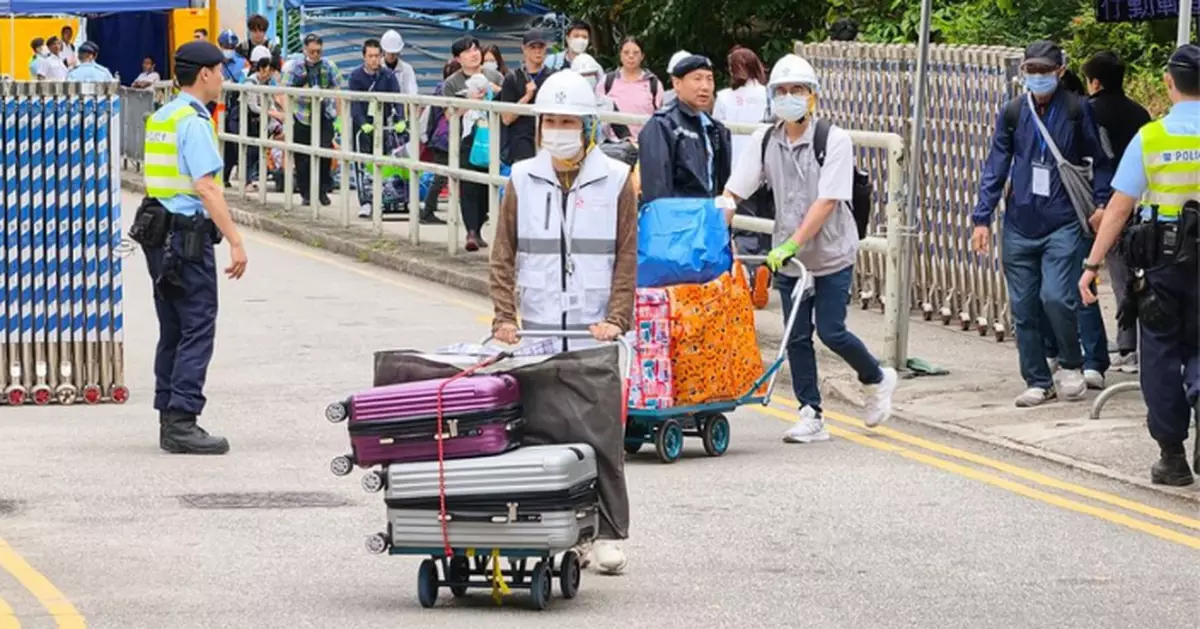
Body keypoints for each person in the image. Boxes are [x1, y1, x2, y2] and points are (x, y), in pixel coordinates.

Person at [489, 69, 636, 574]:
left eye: (567, 120)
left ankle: (610, 532)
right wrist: (504, 316)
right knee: (542, 432)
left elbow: (625, 257)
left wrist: (617, 317)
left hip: (594, 326)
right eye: (550, 119)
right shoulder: (522, 177)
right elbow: (503, 252)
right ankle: (557, 531)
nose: (557, 128)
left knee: (599, 434)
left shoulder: (616, 180)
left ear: (588, 127)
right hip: (540, 325)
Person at [722, 54, 897, 441]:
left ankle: (877, 376)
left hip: (830, 251)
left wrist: (790, 244)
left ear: (812, 96)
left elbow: (827, 201)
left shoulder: (833, 140)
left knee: (832, 331)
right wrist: (718, 221)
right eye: (782, 91)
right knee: (796, 335)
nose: (789, 97)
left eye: (797, 90)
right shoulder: (765, 140)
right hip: (788, 259)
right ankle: (810, 412)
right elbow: (736, 189)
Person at [1079, 45, 1200, 487]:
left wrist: (1092, 264)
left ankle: (1172, 457)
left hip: (1164, 264)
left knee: (1163, 355)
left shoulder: (1152, 137)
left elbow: (1118, 207)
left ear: (1169, 83)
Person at [970, 40, 1113, 408]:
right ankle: (1036, 379)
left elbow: (1102, 160)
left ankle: (1070, 364)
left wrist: (1101, 204)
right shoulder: (1014, 112)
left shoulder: (1078, 111)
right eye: (1031, 71)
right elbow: (996, 164)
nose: (1037, 78)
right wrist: (981, 218)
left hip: (1063, 221)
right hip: (1020, 221)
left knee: (1057, 297)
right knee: (1024, 306)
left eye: (1044, 71)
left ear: (1060, 71)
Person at [140, 40, 249, 455]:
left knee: (172, 327)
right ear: (204, 74)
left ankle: (169, 415)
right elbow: (206, 187)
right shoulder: (194, 122)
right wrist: (236, 241)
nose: (223, 78)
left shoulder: (162, 115)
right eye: (220, 71)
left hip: (158, 234)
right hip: (186, 238)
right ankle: (183, 420)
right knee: (198, 326)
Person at [1080, 50, 1153, 373]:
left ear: (1094, 82)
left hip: (1106, 202)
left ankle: (1125, 346)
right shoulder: (1141, 113)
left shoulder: (1088, 111)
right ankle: (1137, 343)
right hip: (1143, 201)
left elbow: (1096, 159)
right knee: (1139, 274)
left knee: (1114, 272)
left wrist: (1100, 203)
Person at [637, 54, 732, 204]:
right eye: (697, 79)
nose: (705, 87)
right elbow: (657, 189)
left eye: (709, 79)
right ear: (677, 84)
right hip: (678, 218)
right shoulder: (663, 125)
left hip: (708, 216)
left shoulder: (715, 129)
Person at [444, 36, 506, 250]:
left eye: (475, 49)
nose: (474, 54)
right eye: (467, 51)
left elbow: (507, 102)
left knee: (489, 186)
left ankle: (479, 227)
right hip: (467, 138)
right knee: (469, 185)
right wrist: (471, 102)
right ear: (458, 58)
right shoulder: (452, 83)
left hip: (492, 136)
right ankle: (471, 232)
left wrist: (495, 89)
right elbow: (448, 115)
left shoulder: (494, 75)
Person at [285, 34, 345, 207]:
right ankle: (306, 193)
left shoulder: (328, 65)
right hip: (302, 115)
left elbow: (339, 89)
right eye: (312, 51)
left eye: (318, 51)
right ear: (304, 50)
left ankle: (322, 190)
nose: (315, 55)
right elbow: (284, 89)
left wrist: (339, 118)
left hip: (324, 114)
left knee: (325, 152)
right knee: (302, 156)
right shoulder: (295, 67)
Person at [349, 38, 402, 219]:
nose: (374, 60)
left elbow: (397, 98)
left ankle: (386, 197)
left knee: (386, 161)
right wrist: (362, 122)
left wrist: (400, 119)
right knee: (364, 164)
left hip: (384, 124)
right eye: (370, 56)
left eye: (377, 56)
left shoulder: (387, 75)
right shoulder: (356, 76)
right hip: (363, 125)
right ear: (364, 57)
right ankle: (365, 201)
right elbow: (355, 103)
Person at [499, 29, 556, 164]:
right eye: (533, 47)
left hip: (548, 139)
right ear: (524, 49)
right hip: (521, 141)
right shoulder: (512, 78)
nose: (537, 51)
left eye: (541, 47)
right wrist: (527, 97)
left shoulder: (554, 77)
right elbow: (506, 118)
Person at [418, 60, 460, 225]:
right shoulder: (450, 90)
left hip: (439, 137)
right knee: (441, 176)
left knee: (442, 175)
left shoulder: (439, 88)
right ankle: (428, 210)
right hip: (446, 137)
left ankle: (428, 209)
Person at [714, 46, 770, 164]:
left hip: (733, 160)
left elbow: (716, 133)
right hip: (763, 158)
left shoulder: (723, 97)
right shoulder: (769, 95)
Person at [597, 37, 661, 136]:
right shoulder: (607, 81)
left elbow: (661, 117)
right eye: (626, 52)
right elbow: (597, 115)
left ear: (642, 56)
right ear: (620, 55)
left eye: (636, 53)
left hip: (645, 144)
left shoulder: (653, 83)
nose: (631, 56)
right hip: (613, 146)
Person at [243, 46, 282, 191]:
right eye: (267, 70)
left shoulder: (265, 83)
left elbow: (270, 102)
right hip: (247, 120)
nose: (269, 74)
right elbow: (253, 106)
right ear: (260, 68)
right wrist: (273, 114)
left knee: (257, 151)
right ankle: (247, 181)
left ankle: (252, 179)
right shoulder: (250, 83)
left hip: (259, 121)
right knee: (250, 151)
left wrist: (276, 114)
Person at [571, 53, 630, 143]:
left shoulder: (608, 103)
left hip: (602, 150)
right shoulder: (567, 104)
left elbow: (623, 133)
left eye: (591, 74)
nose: (588, 78)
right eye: (583, 75)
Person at [380, 30, 420, 95]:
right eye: (389, 53)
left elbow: (412, 91)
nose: (392, 56)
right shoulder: (377, 67)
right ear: (384, 51)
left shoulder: (407, 69)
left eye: (394, 53)